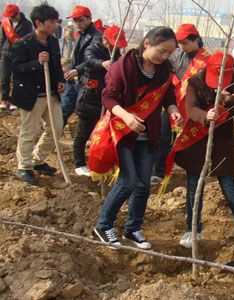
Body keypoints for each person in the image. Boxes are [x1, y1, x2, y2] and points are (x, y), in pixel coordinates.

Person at [91, 27, 182, 249]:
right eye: (161, 51)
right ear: (147, 44)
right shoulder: (122, 67)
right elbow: (108, 98)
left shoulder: (163, 71)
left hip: (148, 134)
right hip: (123, 132)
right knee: (128, 181)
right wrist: (127, 117)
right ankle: (103, 225)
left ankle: (133, 228)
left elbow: (168, 95)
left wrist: (172, 110)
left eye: (169, 53)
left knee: (142, 185)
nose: (164, 57)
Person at [170, 51, 234, 252]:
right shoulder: (196, 81)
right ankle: (193, 230)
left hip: (224, 143)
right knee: (194, 188)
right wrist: (204, 114)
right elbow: (190, 108)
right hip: (197, 144)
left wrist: (229, 101)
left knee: (230, 188)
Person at [9, 3, 64, 185]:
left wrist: (60, 81)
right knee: (29, 131)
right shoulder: (22, 44)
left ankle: (37, 159)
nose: (55, 24)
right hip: (31, 95)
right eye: (51, 21)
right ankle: (24, 166)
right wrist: (36, 63)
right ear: (39, 23)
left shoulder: (53, 41)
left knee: (56, 127)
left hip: (51, 94)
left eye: (56, 21)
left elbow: (56, 64)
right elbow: (15, 68)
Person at [150, 23, 209, 185]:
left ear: (195, 39)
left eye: (185, 43)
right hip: (173, 104)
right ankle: (158, 171)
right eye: (180, 43)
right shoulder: (176, 55)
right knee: (163, 137)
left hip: (192, 105)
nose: (182, 47)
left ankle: (190, 168)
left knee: (188, 140)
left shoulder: (206, 59)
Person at [73, 25, 127, 176]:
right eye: (111, 43)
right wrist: (102, 64)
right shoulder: (93, 48)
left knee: (100, 134)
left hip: (106, 99)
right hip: (89, 98)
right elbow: (88, 60)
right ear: (104, 39)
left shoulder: (115, 52)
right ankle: (79, 163)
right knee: (83, 133)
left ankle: (100, 163)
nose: (114, 46)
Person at [62, 5, 101, 125]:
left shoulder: (97, 37)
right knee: (64, 110)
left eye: (81, 20)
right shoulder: (81, 34)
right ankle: (52, 136)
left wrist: (77, 70)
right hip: (74, 79)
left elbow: (92, 59)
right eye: (75, 20)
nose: (77, 23)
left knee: (83, 115)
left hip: (86, 80)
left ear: (89, 19)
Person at [0, 3, 33, 112]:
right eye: (9, 16)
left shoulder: (27, 24)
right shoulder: (4, 23)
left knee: (17, 78)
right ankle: (4, 100)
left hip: (19, 55)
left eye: (13, 16)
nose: (11, 18)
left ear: (18, 14)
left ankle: (14, 101)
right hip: (6, 54)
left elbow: (28, 41)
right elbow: (2, 39)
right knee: (4, 78)